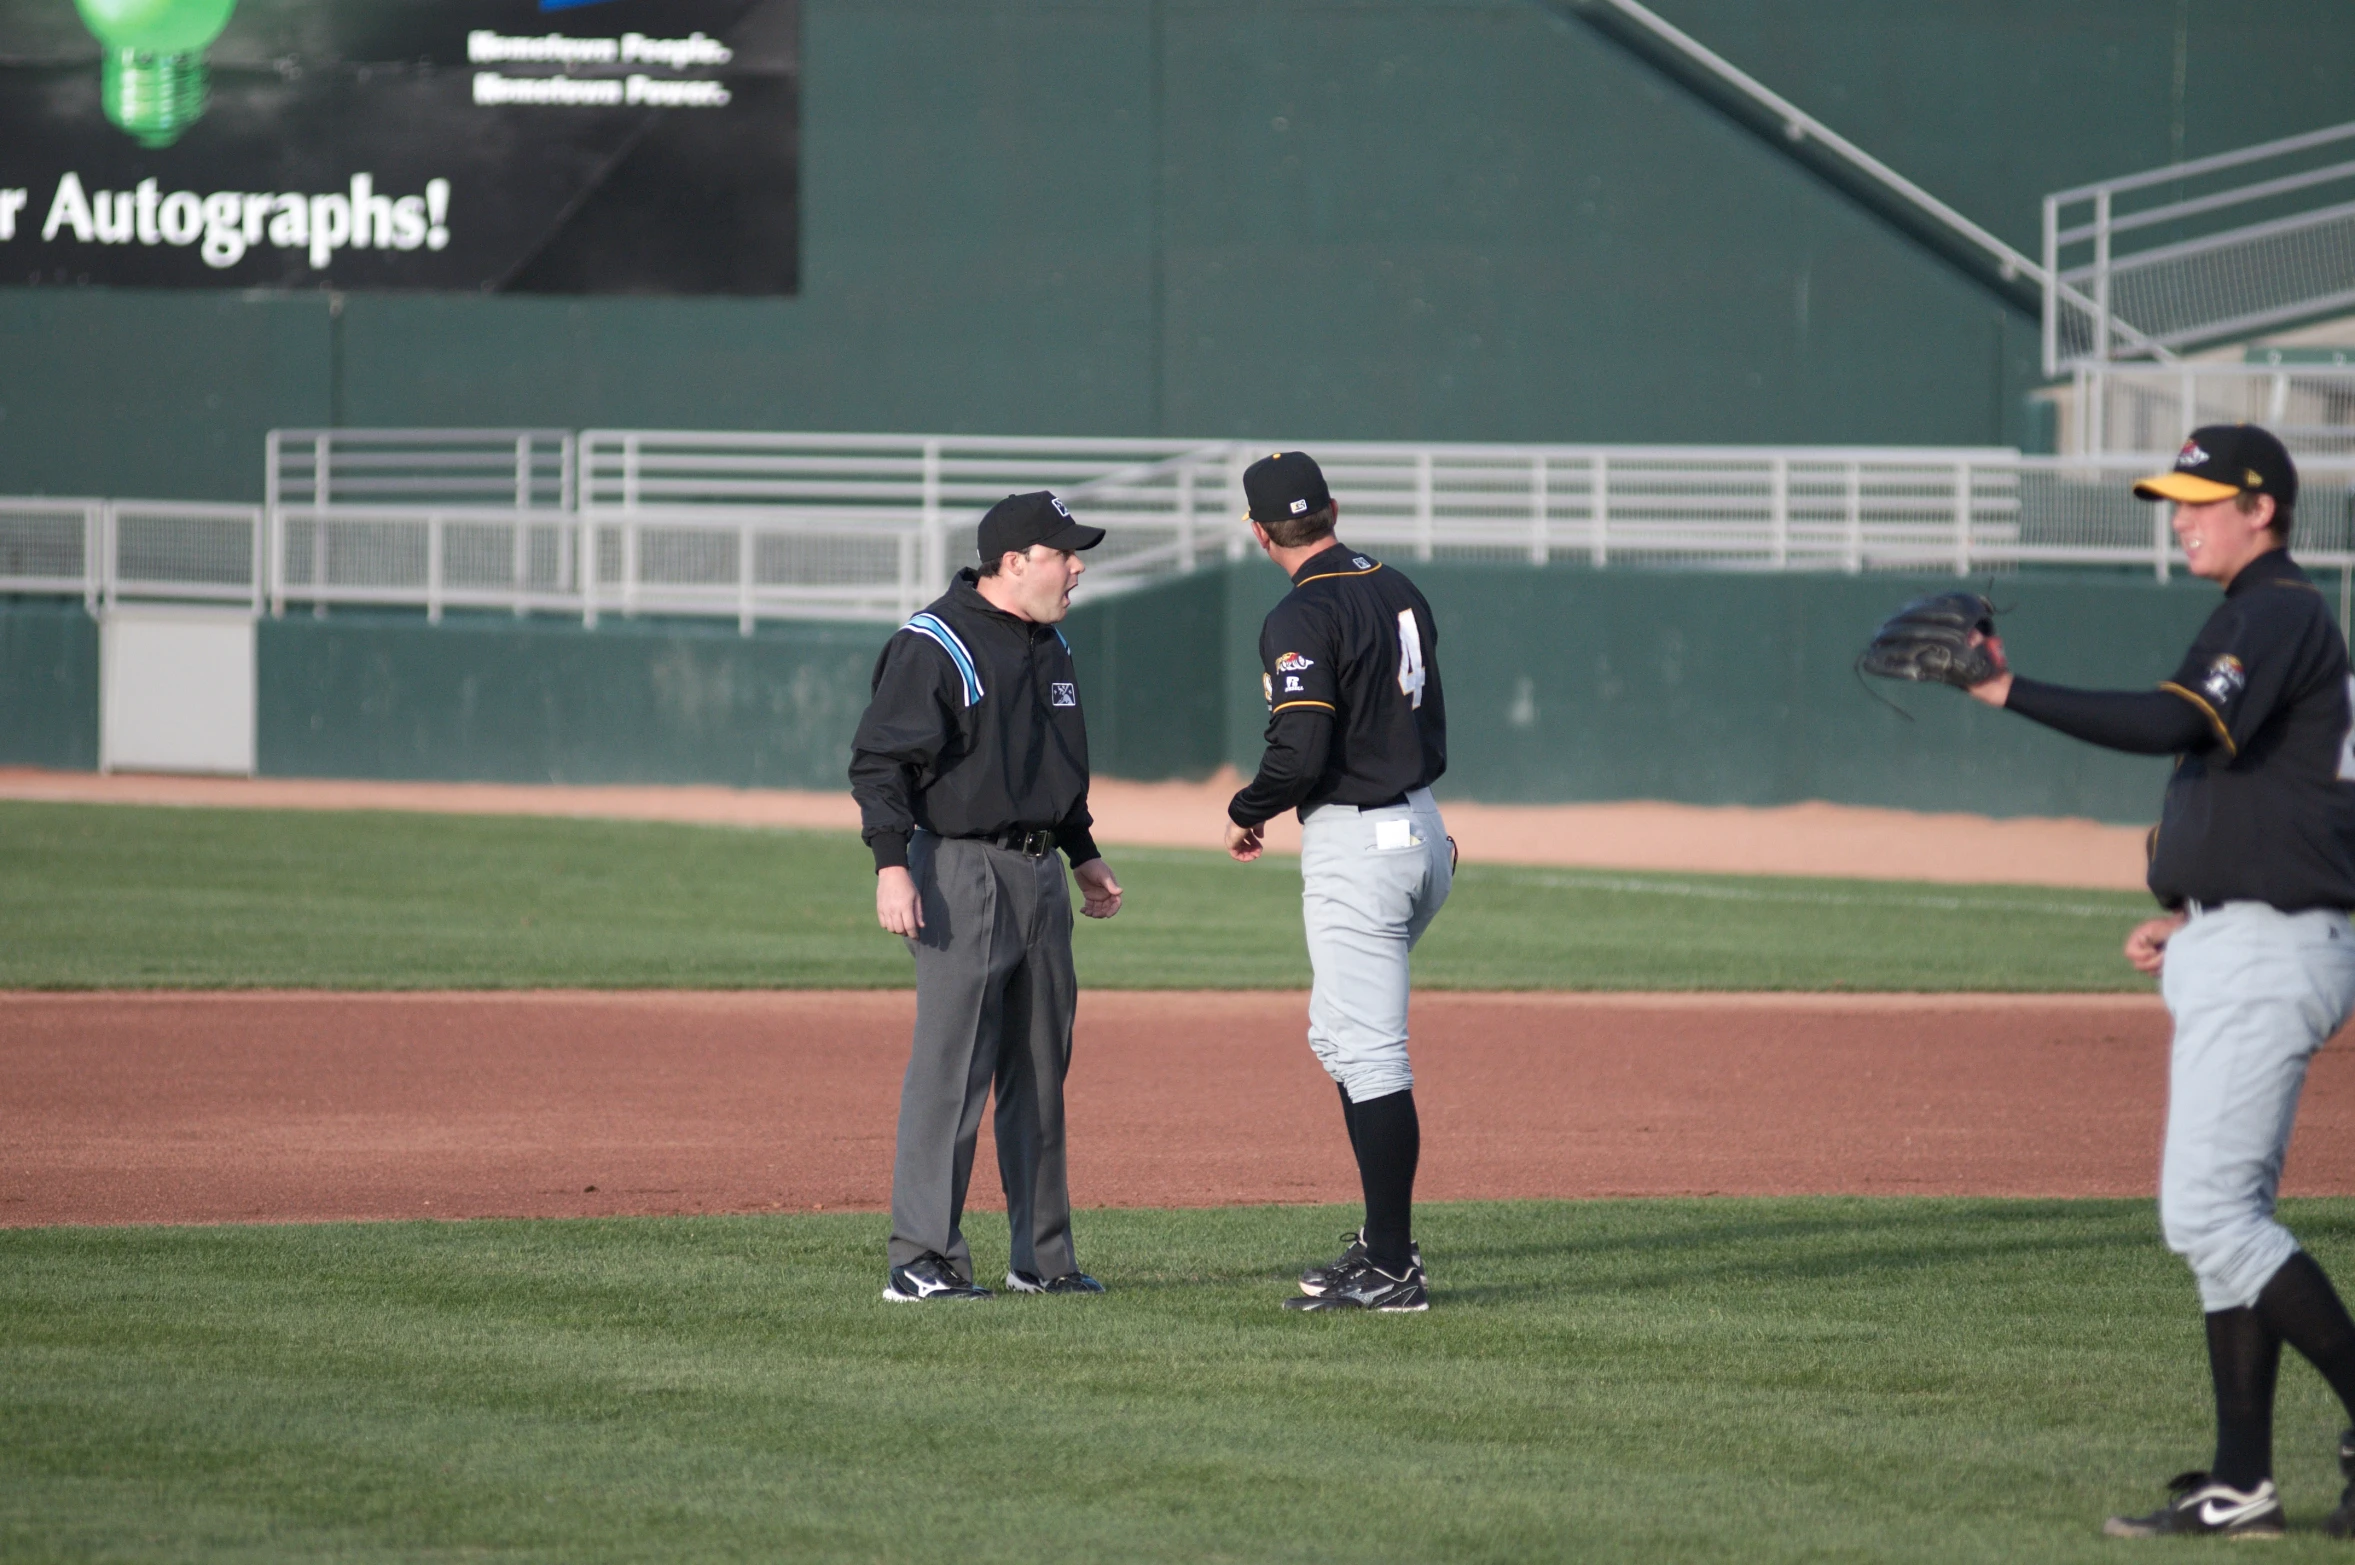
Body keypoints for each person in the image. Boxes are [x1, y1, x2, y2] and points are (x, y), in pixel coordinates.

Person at [1960, 425, 2355, 1537]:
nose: (2178, 515)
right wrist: (2193, 904)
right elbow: (2281, 797)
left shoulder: (2275, 608)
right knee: (2230, 1219)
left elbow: (2171, 719)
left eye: (2199, 498)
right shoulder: (2273, 613)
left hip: (2273, 949)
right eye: (2172, 498)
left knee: (2209, 1214)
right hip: (2244, 937)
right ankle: (2243, 1480)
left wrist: (2006, 689)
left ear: (2261, 508)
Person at [849, 490, 1125, 1303]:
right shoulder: (934, 643)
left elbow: (1053, 766)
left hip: (1041, 875)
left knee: (1040, 1067)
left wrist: (1082, 852)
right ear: (1013, 563)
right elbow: (878, 763)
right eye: (1063, 552)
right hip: (959, 872)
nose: (1077, 566)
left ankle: (1042, 1258)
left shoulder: (1051, 643)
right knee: (953, 1067)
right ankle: (921, 1257)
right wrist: (890, 864)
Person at [1224, 451, 1453, 1312]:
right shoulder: (1395, 586)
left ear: (1257, 532)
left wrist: (1248, 807)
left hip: (1360, 843)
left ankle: (1393, 1265)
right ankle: (1381, 1244)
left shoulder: (1300, 612)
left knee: (1368, 1051)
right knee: (1339, 1035)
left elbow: (1300, 748)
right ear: (1331, 508)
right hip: (1421, 825)